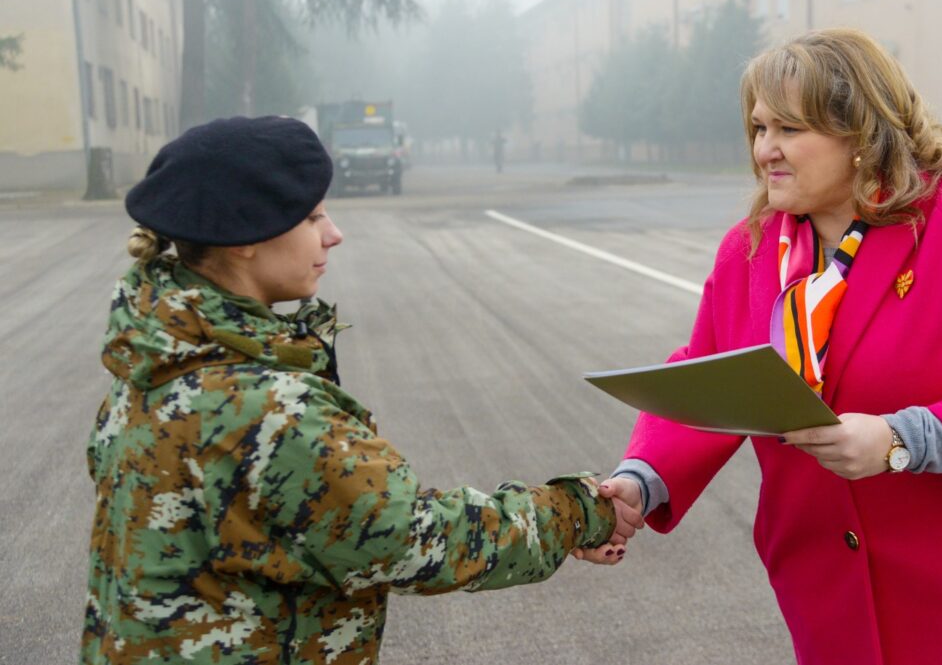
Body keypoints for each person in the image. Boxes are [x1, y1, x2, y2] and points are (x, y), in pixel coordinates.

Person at [583, 30, 942, 664]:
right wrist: (640, 482)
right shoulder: (753, 249)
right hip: (830, 592)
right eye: (759, 129)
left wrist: (902, 441)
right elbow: (709, 380)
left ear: (861, 133)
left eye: (789, 129)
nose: (766, 150)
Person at [81, 116, 639, 664]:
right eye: (312, 217)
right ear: (245, 239)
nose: (333, 233)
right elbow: (414, 540)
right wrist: (577, 509)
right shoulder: (267, 409)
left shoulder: (153, 365)